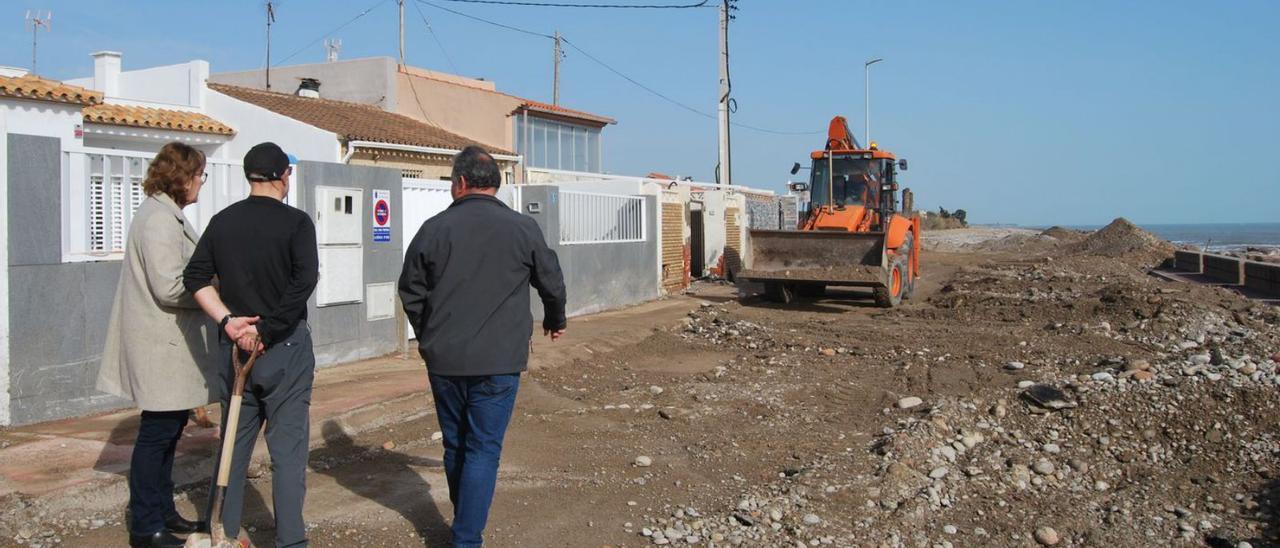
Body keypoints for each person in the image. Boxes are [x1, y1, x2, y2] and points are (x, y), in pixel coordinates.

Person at [399, 145, 567, 548]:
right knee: (482, 449)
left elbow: (410, 291)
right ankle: (467, 537)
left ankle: (464, 526)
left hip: (445, 360)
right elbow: (551, 279)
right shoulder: (522, 228)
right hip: (499, 360)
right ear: (497, 184)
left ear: (459, 183)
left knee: (456, 443)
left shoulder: (434, 229)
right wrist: (555, 319)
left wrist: (429, 338)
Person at [183, 142, 319, 548]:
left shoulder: (222, 222)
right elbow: (304, 281)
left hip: (238, 351)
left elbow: (196, 277)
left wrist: (229, 323)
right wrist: (269, 330)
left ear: (249, 176)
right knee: (288, 452)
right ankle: (291, 541)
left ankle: (222, 532)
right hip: (285, 349)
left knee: (233, 447)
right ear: (283, 176)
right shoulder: (297, 223)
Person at [96, 142, 221, 548]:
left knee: (168, 433)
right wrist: (212, 290)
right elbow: (169, 287)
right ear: (182, 176)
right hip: (161, 345)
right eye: (200, 174)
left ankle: (162, 513)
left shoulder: (166, 214)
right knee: (157, 434)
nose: (202, 181)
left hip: (169, 346)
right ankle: (146, 526)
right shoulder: (159, 220)